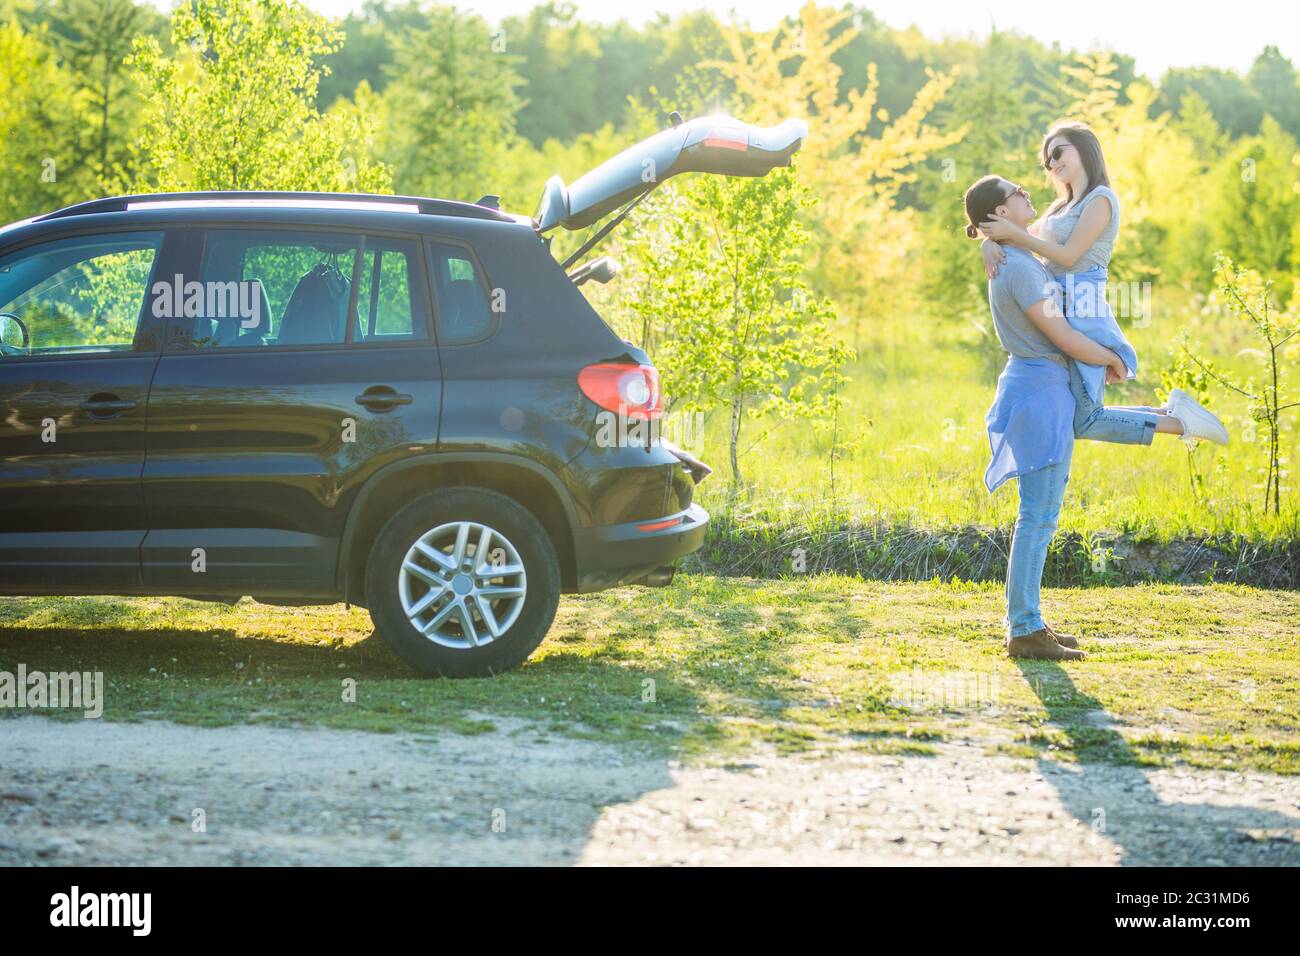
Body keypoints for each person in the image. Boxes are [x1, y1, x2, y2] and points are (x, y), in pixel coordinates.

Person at [964, 175, 1224, 661]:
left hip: (1044, 389)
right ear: (1000, 212)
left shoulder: (1018, 257)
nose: (1026, 192)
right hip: (1040, 392)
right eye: (1016, 191)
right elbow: (1061, 336)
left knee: (1039, 514)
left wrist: (986, 242)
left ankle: (1028, 622)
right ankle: (1023, 629)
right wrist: (1111, 357)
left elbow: (1046, 250)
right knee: (1037, 518)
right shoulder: (1019, 270)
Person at [979, 122, 1228, 448]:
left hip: (1084, 308)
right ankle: (1174, 415)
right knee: (1084, 416)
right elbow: (1016, 233)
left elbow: (1067, 255)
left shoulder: (1101, 199)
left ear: (1084, 148)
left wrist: (1013, 236)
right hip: (1060, 306)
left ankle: (1179, 421)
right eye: (1047, 161)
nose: (1052, 164)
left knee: (1085, 418)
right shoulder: (1059, 207)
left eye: (1058, 152)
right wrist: (987, 242)